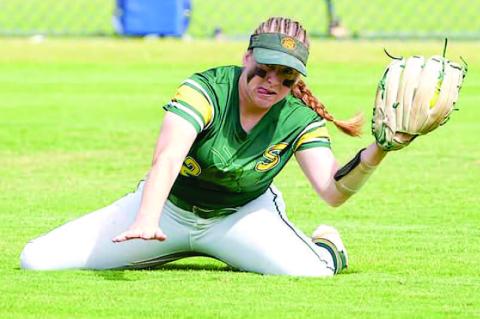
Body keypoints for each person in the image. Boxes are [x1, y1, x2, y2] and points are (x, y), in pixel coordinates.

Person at [20, 17, 387, 276]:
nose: (271, 81)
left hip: (241, 218)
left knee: (313, 272)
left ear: (296, 79)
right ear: (246, 57)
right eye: (264, 68)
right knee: (36, 260)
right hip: (167, 210)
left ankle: (327, 246)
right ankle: (170, 246)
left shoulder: (299, 117)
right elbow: (167, 158)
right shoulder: (205, 90)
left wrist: (382, 148)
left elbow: (331, 191)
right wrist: (147, 219)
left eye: (286, 76)